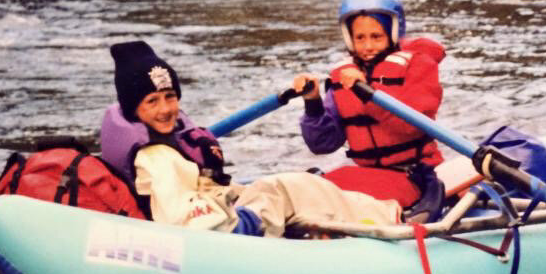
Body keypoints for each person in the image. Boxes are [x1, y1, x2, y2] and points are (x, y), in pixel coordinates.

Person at [100, 40, 401, 237]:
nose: (166, 109)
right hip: (227, 233)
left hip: (220, 212)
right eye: (152, 101)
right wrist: (250, 218)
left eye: (170, 97)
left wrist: (237, 193)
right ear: (134, 108)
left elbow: (200, 189)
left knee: (296, 183)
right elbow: (188, 225)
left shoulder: (161, 140)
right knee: (290, 187)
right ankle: (393, 220)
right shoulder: (155, 158)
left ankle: (382, 215)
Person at [293, 0, 446, 221]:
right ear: (349, 38)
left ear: (393, 34)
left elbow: (412, 124)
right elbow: (322, 144)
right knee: (304, 190)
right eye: (360, 38)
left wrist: (369, 92)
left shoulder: (419, 66)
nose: (367, 46)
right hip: (369, 174)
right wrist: (313, 104)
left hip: (414, 176)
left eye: (376, 37)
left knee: (324, 198)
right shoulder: (344, 77)